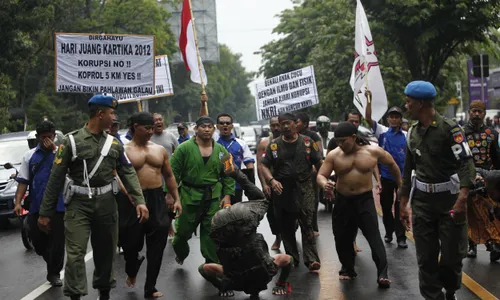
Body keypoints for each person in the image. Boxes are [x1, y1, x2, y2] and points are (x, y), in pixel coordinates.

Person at [37, 94, 149, 300]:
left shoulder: (114, 144)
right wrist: (45, 213)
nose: (114, 117)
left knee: (106, 253)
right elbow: (56, 178)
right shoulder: (70, 141)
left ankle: (104, 293)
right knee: (75, 254)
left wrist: (139, 200)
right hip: (78, 205)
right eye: (112, 113)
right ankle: (75, 296)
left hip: (107, 204)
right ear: (100, 114)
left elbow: (127, 172)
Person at [399, 81, 475, 300]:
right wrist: (403, 203)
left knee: (452, 256)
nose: (406, 106)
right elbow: (407, 170)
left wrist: (462, 198)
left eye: (409, 101)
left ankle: (450, 290)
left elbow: (466, 163)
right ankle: (433, 297)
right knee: (426, 256)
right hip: (422, 202)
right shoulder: (412, 132)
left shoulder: (449, 129)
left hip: (449, 200)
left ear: (420, 103)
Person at [317, 121, 400, 288]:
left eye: (343, 141)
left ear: (354, 137)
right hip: (342, 200)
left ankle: (382, 273)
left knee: (373, 236)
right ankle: (347, 268)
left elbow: (392, 164)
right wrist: (324, 184)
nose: (340, 144)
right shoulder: (334, 155)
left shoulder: (372, 151)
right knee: (342, 237)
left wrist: (400, 184)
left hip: (364, 200)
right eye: (337, 141)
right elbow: (321, 175)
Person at [200, 155, 293, 298]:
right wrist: (223, 286)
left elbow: (288, 259)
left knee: (261, 199)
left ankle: (235, 172)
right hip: (219, 224)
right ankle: (227, 198)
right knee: (228, 238)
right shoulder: (232, 280)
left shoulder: (268, 270)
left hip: (243, 221)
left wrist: (280, 283)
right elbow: (204, 268)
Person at [118, 112, 182, 299]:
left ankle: (150, 287)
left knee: (157, 243)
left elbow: (169, 176)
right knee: (130, 243)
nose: (150, 132)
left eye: (152, 128)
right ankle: (132, 265)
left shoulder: (159, 150)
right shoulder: (123, 150)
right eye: (147, 128)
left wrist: (175, 198)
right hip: (132, 200)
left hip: (156, 198)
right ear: (135, 126)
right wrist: (129, 195)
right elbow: (116, 174)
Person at [260, 113, 323, 271]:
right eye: (282, 124)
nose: (285, 127)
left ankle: (311, 259)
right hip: (282, 191)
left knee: (307, 223)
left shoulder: (308, 143)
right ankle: (292, 257)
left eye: (288, 123)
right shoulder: (273, 145)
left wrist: (323, 179)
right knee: (286, 227)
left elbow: (319, 162)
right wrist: (271, 181)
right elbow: (264, 165)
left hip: (304, 188)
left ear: (296, 124)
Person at [170, 116, 235, 266]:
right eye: (203, 126)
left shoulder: (221, 150)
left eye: (209, 127)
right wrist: (172, 196)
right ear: (196, 129)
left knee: (210, 232)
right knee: (181, 234)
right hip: (188, 196)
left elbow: (229, 174)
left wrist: (227, 196)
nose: (206, 129)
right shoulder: (184, 148)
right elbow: (173, 173)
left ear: (214, 129)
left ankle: (211, 264)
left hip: (213, 197)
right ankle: (181, 253)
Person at [14, 121, 65, 287]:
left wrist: (54, 150)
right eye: (42, 138)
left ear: (54, 136)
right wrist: (17, 202)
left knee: (57, 241)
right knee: (38, 241)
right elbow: (23, 181)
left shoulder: (61, 152)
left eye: (49, 137)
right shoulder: (29, 156)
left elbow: (71, 169)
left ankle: (54, 273)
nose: (46, 140)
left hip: (59, 205)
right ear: (37, 138)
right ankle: (49, 258)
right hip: (36, 204)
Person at [365, 93, 408, 248]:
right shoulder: (381, 132)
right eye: (392, 117)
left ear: (401, 119)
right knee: (386, 206)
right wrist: (369, 100)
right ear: (388, 119)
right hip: (386, 178)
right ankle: (389, 232)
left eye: (397, 117)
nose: (394, 119)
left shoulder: (406, 136)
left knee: (400, 207)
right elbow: (368, 118)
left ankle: (401, 237)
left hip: (402, 178)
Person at [463, 100, 500, 260]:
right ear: (469, 112)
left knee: (488, 212)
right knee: (470, 213)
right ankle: (472, 245)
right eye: (474, 111)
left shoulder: (492, 134)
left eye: (480, 111)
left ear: (484, 114)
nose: (476, 114)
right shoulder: (461, 133)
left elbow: (496, 157)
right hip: (468, 176)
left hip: (488, 178)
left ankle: (492, 243)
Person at [216, 113, 255, 204]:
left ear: (232, 126)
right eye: (222, 123)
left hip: (236, 186)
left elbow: (250, 166)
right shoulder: (213, 143)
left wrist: (251, 187)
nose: (225, 125)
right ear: (217, 126)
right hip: (216, 187)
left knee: (235, 215)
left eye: (227, 123)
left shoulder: (241, 144)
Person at [256, 116, 282, 250]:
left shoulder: (291, 140)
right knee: (272, 213)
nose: (276, 128)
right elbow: (260, 165)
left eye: (278, 125)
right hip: (270, 182)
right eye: (273, 125)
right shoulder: (264, 143)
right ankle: (278, 237)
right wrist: (264, 184)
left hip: (287, 183)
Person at [296, 112, 323, 236]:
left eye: (297, 122)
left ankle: (313, 226)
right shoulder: (290, 136)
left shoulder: (313, 137)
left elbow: (318, 154)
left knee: (313, 199)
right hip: (295, 174)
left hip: (311, 173)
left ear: (305, 124)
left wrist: (314, 166)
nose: (295, 124)